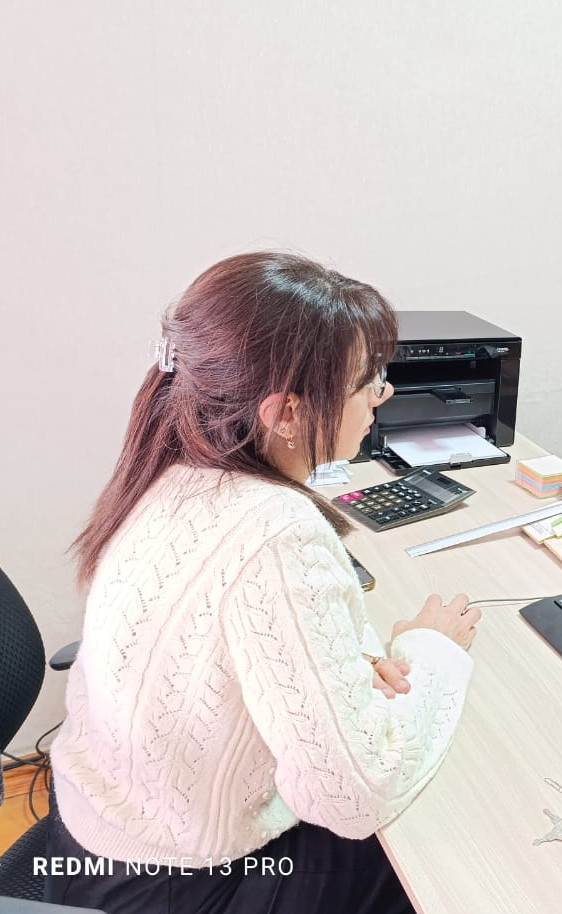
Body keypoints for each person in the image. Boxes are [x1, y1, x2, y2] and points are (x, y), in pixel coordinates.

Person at [47, 252, 482, 913]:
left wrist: (344, 663)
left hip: (98, 838)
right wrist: (433, 649)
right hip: (180, 883)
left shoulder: (172, 468)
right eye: (368, 383)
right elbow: (352, 798)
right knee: (449, 852)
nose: (380, 398)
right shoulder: (275, 530)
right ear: (286, 413)